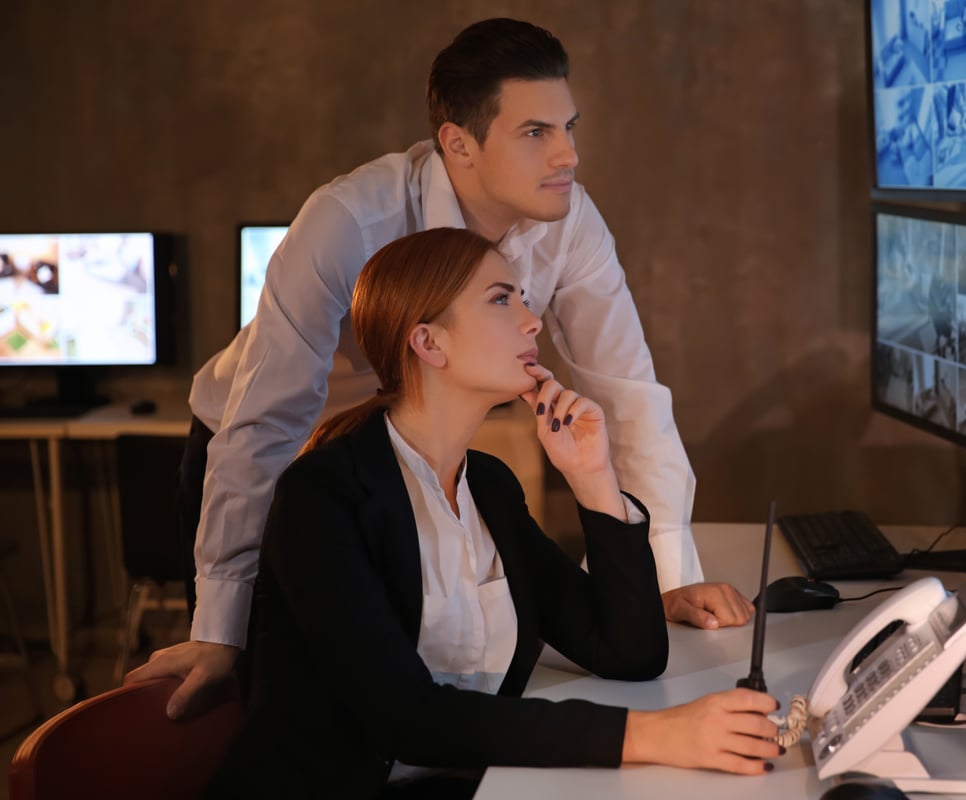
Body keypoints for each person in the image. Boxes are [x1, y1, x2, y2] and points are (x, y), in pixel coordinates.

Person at [127, 17, 752, 719]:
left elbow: (627, 388)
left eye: (569, 127)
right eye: (536, 132)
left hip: (404, 454)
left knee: (400, 690)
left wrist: (667, 576)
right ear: (459, 143)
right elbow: (265, 422)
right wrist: (221, 630)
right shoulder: (349, 221)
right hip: (274, 457)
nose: (569, 155)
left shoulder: (569, 222)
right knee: (283, 698)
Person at [204, 228, 781, 798]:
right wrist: (655, 735)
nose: (531, 320)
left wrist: (592, 477)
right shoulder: (323, 497)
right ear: (429, 343)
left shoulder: (489, 485)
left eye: (523, 299)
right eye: (502, 299)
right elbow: (405, 718)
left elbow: (629, 653)